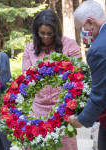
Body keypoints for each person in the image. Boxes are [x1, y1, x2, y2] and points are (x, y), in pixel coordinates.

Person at [22, 9, 81, 150]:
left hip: (62, 111)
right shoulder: (30, 48)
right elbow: (26, 77)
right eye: (42, 33)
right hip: (37, 110)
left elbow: (79, 77)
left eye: (50, 33)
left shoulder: (70, 45)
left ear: (57, 30)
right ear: (36, 32)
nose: (46, 37)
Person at [69, 1, 106, 150]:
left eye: (81, 28)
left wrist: (81, 120)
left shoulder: (98, 49)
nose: (81, 33)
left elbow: (100, 95)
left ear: (90, 22)